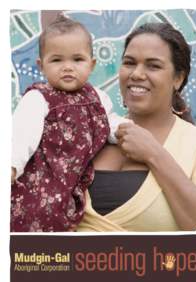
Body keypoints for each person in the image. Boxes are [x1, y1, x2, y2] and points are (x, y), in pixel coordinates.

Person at [76, 22, 196, 232]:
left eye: (153, 66)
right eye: (129, 63)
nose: (136, 74)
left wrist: (154, 153)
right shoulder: (93, 132)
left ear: (178, 78)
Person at [11, 15, 130, 232]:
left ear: (91, 64)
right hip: (38, 181)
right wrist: (11, 167)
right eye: (57, 60)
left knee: (66, 222)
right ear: (41, 65)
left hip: (71, 184)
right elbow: (20, 137)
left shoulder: (98, 97)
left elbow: (108, 122)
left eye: (77, 59)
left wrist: (123, 131)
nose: (67, 67)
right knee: (33, 218)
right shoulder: (38, 98)